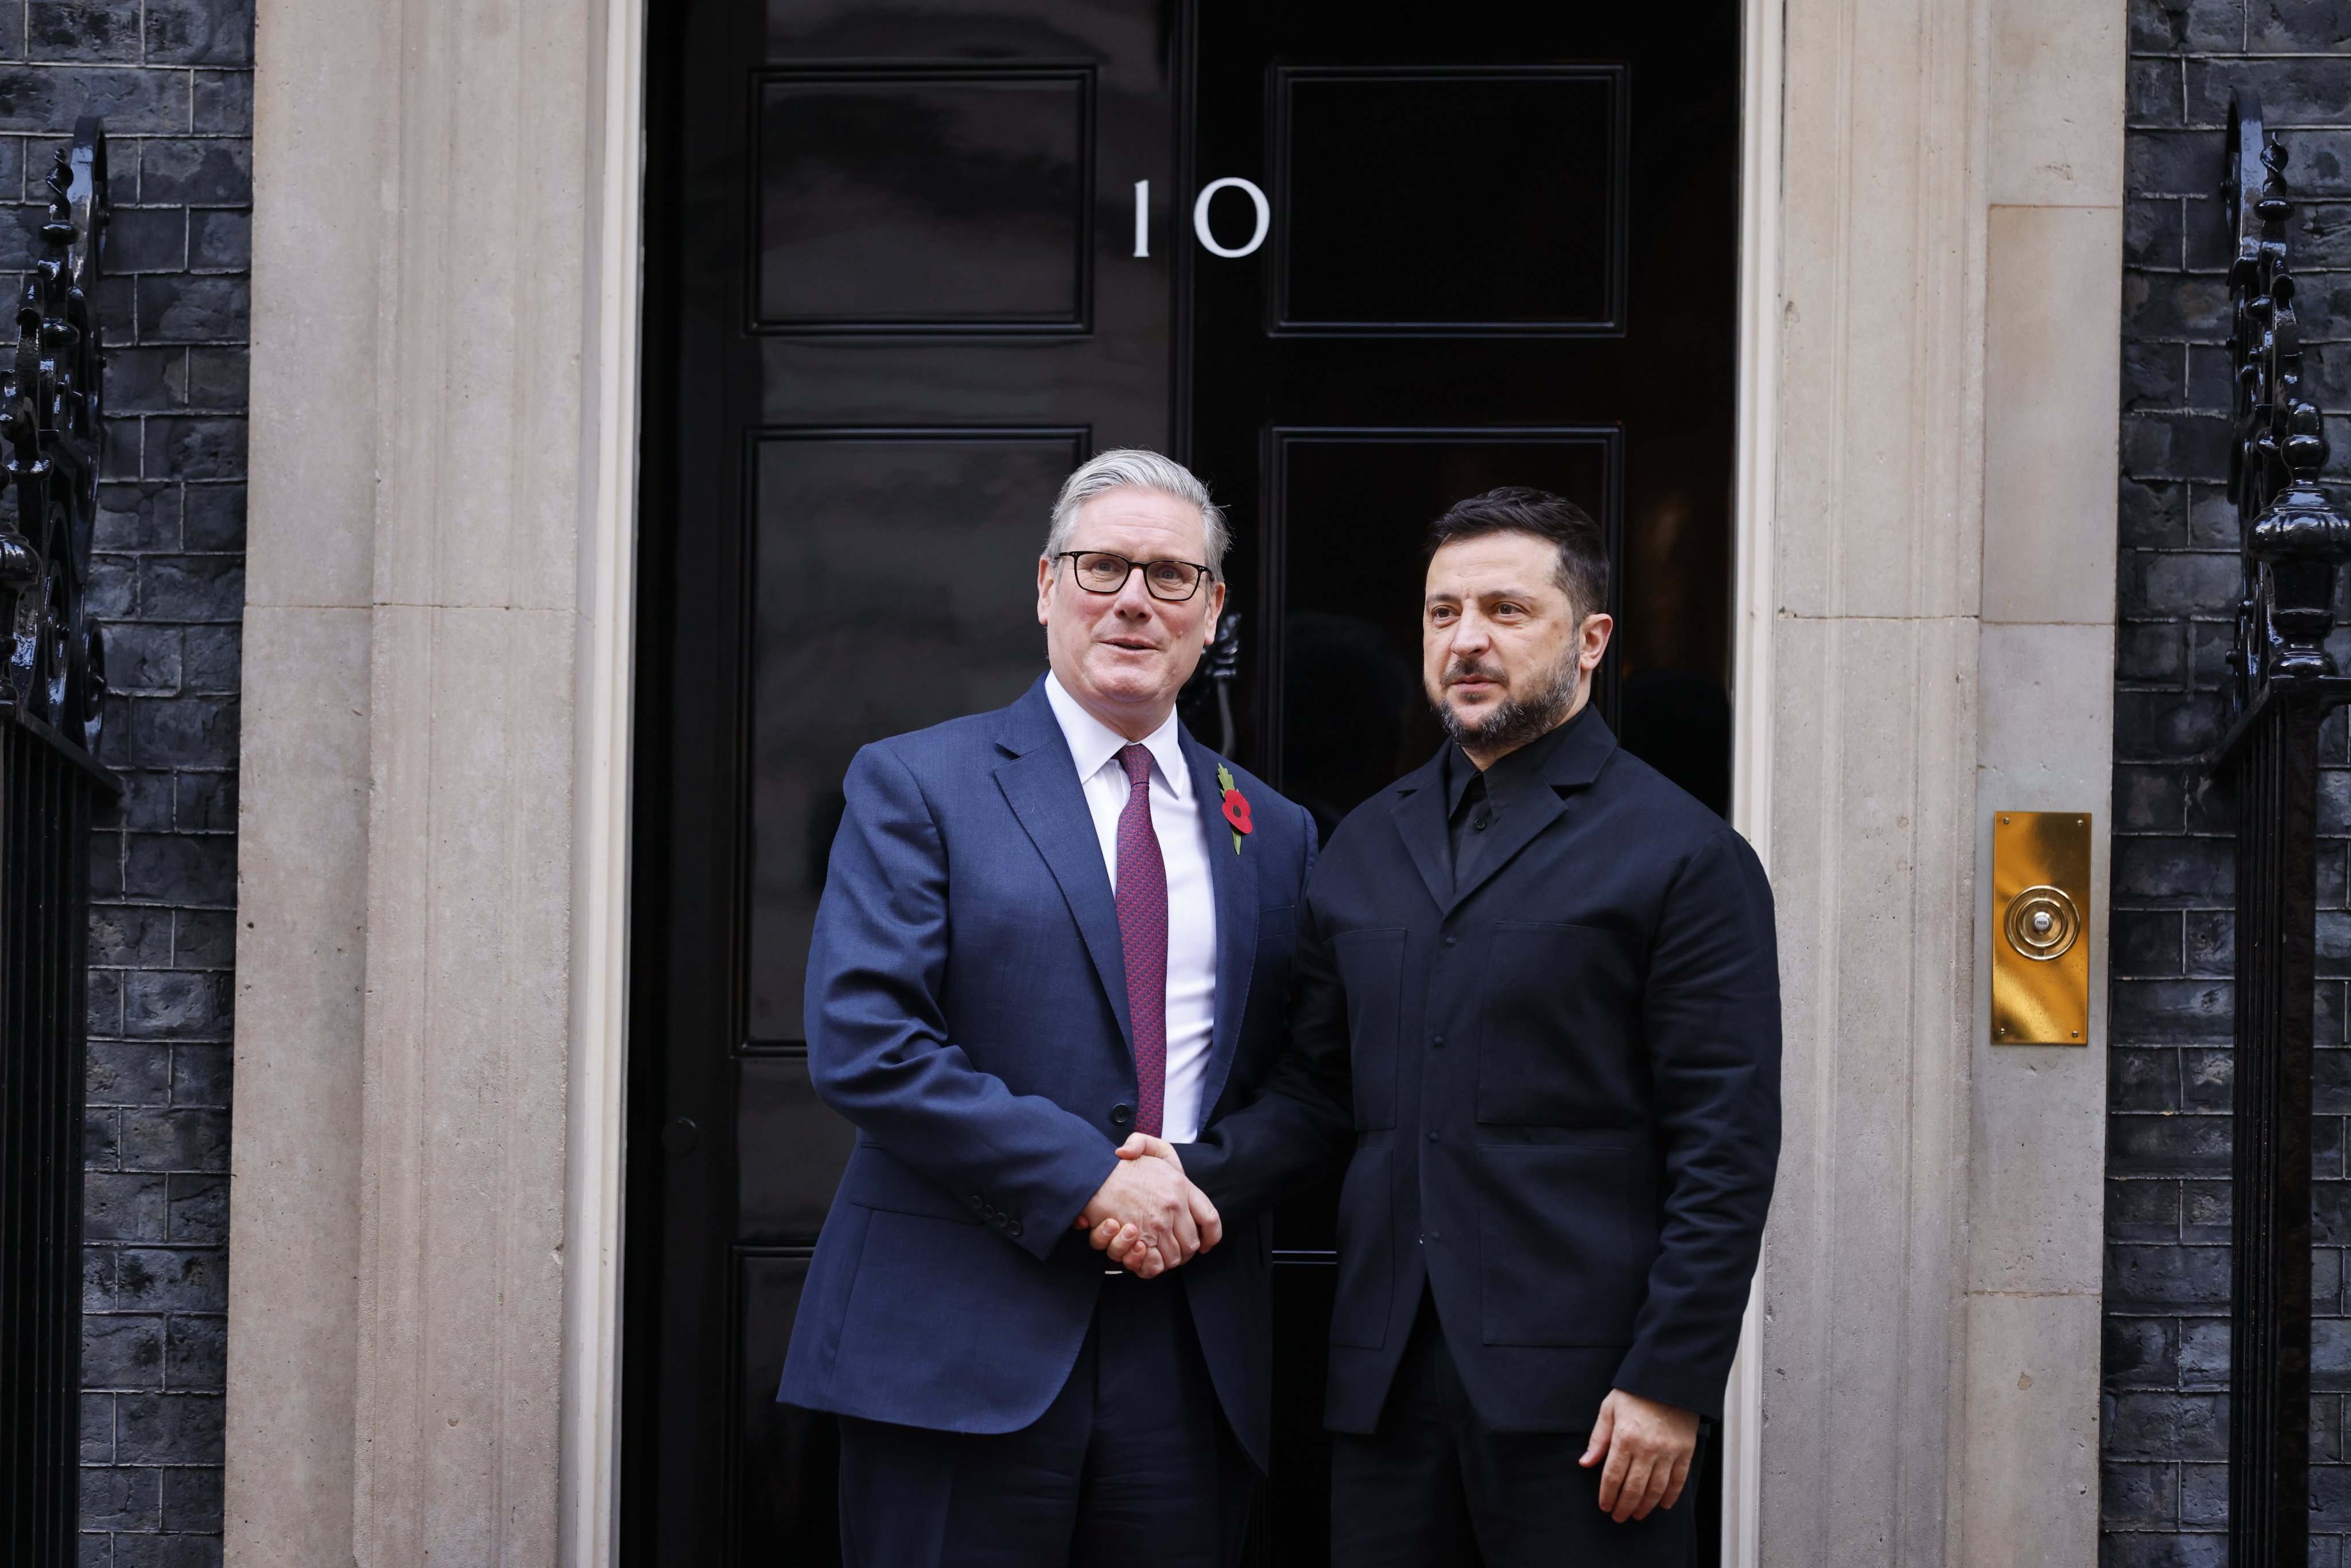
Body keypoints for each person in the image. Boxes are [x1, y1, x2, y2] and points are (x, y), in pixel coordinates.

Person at [1169, 486, 1782, 1566]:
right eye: (1443, 612)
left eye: (1506, 610)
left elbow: (1723, 1147)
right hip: (1382, 1386)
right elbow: (1318, 1096)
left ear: (1590, 640)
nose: (1467, 640)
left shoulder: (1684, 857)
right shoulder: (1360, 844)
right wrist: (1183, 1183)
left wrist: (1668, 1381)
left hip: (1593, 1406)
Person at [778, 449, 1318, 1567]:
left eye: (1169, 576)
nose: (1131, 599)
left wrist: (1187, 1187)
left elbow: (1308, 1081)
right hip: (954, 1342)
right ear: (1043, 586)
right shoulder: (916, 782)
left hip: (1187, 1347)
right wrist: (1088, 1180)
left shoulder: (1271, 829)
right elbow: (867, 1043)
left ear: (1211, 610)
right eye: (1100, 566)